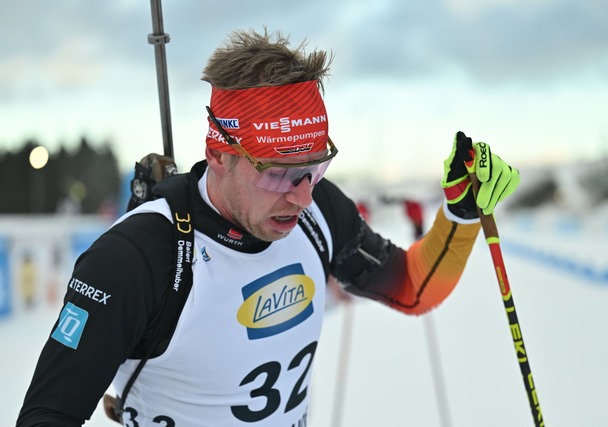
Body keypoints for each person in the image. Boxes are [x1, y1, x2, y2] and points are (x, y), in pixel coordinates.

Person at [16, 28, 520, 427]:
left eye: (315, 168)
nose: (301, 195)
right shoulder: (139, 257)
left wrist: (460, 213)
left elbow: (412, 289)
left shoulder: (318, 209)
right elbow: (45, 416)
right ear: (217, 154)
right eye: (278, 171)